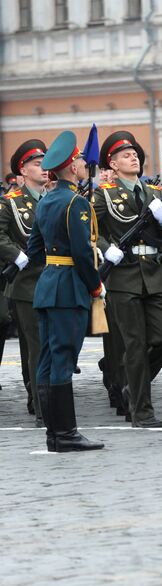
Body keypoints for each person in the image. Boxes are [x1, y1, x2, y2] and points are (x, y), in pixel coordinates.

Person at [25, 130, 104, 451]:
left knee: (47, 359)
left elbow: (33, 248)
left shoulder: (45, 201)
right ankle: (66, 433)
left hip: (48, 285)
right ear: (72, 168)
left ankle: (54, 433)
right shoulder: (75, 201)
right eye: (81, 161)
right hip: (68, 287)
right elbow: (84, 253)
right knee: (62, 358)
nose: (85, 165)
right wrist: (95, 285)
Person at [92, 130, 162, 427]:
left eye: (135, 155)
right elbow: (92, 231)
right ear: (113, 165)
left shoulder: (153, 194)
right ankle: (142, 410)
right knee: (135, 344)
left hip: (152, 274)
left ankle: (130, 383)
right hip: (124, 277)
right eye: (126, 156)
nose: (133, 158)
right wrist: (106, 249)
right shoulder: (103, 195)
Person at [0, 139, 48, 424]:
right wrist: (15, 255)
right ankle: (44, 406)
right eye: (37, 164)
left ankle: (38, 394)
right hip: (27, 283)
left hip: (55, 279)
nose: (44, 169)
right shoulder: (11, 203)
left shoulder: (53, 199)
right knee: (37, 346)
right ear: (23, 170)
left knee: (52, 345)